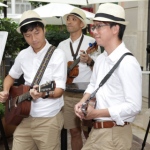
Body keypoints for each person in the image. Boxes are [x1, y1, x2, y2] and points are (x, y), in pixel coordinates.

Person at [75, 3, 142, 150]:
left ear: (115, 28)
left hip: (115, 133)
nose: (94, 32)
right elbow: (93, 85)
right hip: (98, 131)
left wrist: (96, 113)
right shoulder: (101, 59)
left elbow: (134, 106)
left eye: (99, 26)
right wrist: (83, 101)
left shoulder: (128, 63)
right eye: (94, 26)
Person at [0, 10, 67, 150]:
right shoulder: (23, 55)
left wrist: (44, 94)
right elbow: (10, 76)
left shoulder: (58, 55)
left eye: (37, 32)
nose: (33, 39)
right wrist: (6, 91)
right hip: (24, 117)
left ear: (44, 29)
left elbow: (59, 90)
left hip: (48, 119)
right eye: (28, 35)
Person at [58, 8, 100, 150]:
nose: (69, 22)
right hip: (68, 94)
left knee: (90, 133)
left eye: (73, 19)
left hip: (87, 95)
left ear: (82, 24)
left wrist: (89, 60)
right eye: (68, 19)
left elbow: (99, 70)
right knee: (74, 132)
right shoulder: (62, 45)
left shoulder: (92, 43)